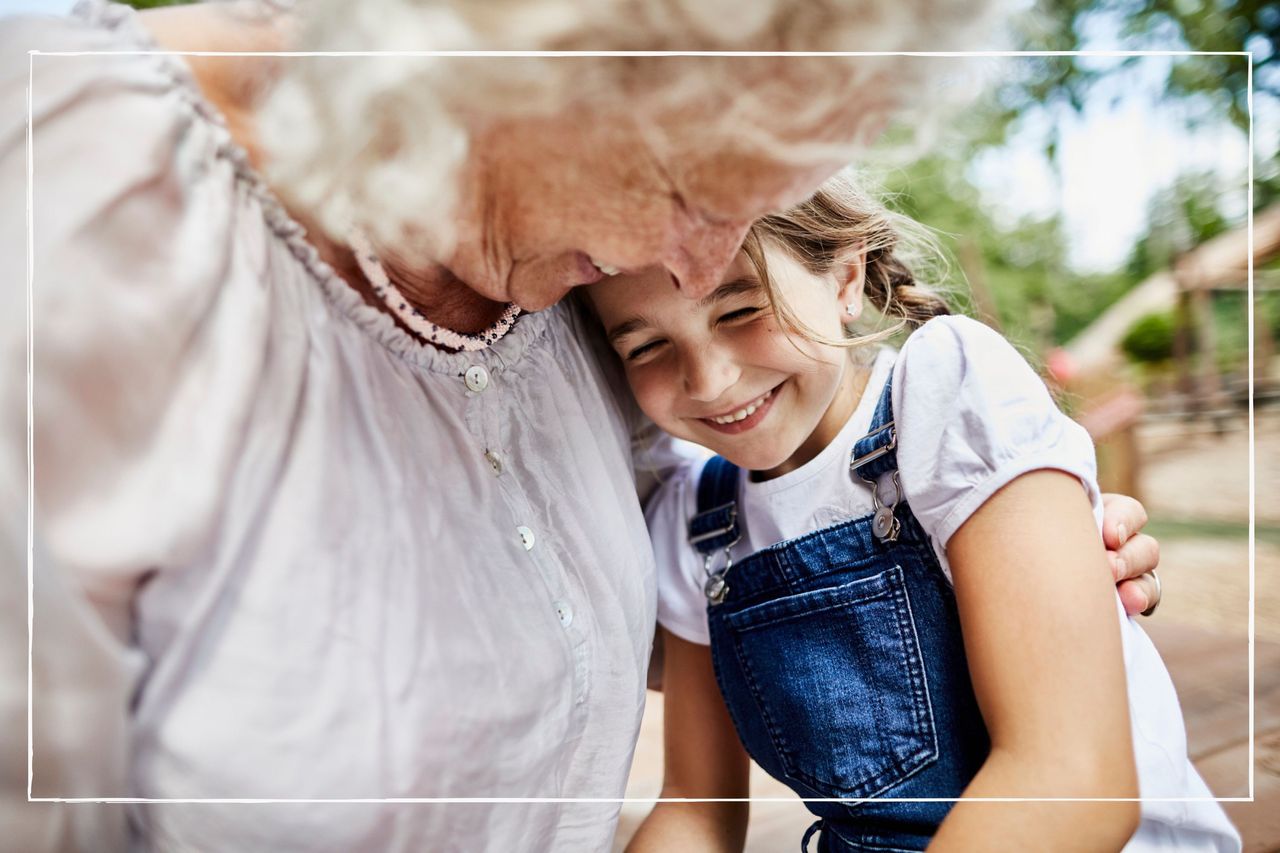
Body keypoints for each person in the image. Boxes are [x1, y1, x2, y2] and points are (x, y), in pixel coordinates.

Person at [0, 0, 1165, 850]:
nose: (691, 268)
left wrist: (1010, 568)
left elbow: (615, 619)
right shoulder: (72, 181)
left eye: (754, 213)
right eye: (688, 185)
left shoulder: (573, 273)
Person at [585, 172, 1238, 852]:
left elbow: (1073, 785)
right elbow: (697, 808)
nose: (709, 379)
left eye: (741, 310)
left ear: (843, 278)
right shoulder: (697, 520)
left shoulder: (947, 391)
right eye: (646, 346)